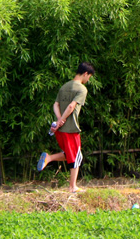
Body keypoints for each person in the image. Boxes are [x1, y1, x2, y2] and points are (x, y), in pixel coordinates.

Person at [37, 62, 95, 193]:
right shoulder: (81, 89)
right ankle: (72, 187)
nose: (88, 80)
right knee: (75, 156)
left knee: (69, 154)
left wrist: (58, 121)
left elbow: (55, 104)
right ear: (85, 74)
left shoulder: (64, 86)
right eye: (89, 77)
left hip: (60, 130)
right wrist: (62, 120)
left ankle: (49, 158)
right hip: (70, 128)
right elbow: (71, 107)